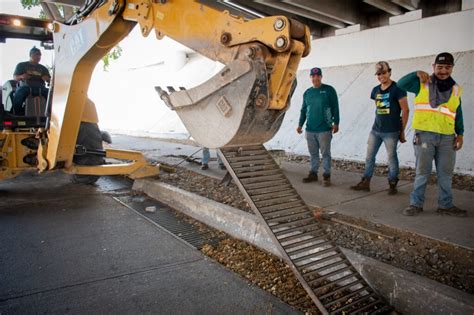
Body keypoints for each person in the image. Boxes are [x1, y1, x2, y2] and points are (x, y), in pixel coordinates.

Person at [398, 52, 466, 217]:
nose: (443, 71)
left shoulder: (456, 89)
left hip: (447, 137)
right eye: (440, 67)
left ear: (452, 68)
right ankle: (416, 204)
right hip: (425, 136)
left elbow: (458, 112)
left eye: (447, 67)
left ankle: (445, 205)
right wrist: (415, 73)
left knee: (445, 174)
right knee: (422, 172)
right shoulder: (422, 83)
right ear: (433, 67)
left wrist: (460, 134)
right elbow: (401, 84)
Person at [351, 61, 409, 195]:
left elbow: (405, 110)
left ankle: (392, 183)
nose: (381, 76)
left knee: (391, 158)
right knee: (369, 157)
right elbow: (378, 108)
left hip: (391, 131)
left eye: (383, 73)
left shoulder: (398, 88)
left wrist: (402, 131)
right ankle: (365, 182)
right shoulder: (375, 90)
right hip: (376, 130)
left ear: (389, 72)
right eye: (378, 74)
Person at [297, 67, 339, 187]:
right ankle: (313, 173)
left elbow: (335, 107)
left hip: (324, 129)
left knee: (325, 154)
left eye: (318, 76)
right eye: (313, 76)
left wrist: (336, 122)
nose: (315, 78)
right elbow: (303, 110)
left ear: (321, 77)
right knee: (313, 153)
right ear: (310, 77)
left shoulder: (329, 90)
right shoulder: (307, 93)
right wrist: (300, 124)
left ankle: (326, 176)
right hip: (310, 129)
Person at [12, 47, 51, 115]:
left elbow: (50, 81)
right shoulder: (21, 65)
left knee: (51, 96)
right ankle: (17, 115)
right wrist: (21, 76)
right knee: (18, 95)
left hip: (41, 88)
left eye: (40, 55)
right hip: (25, 88)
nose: (39, 56)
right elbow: (15, 77)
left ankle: (50, 114)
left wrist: (47, 79)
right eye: (36, 54)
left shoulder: (43, 68)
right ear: (31, 55)